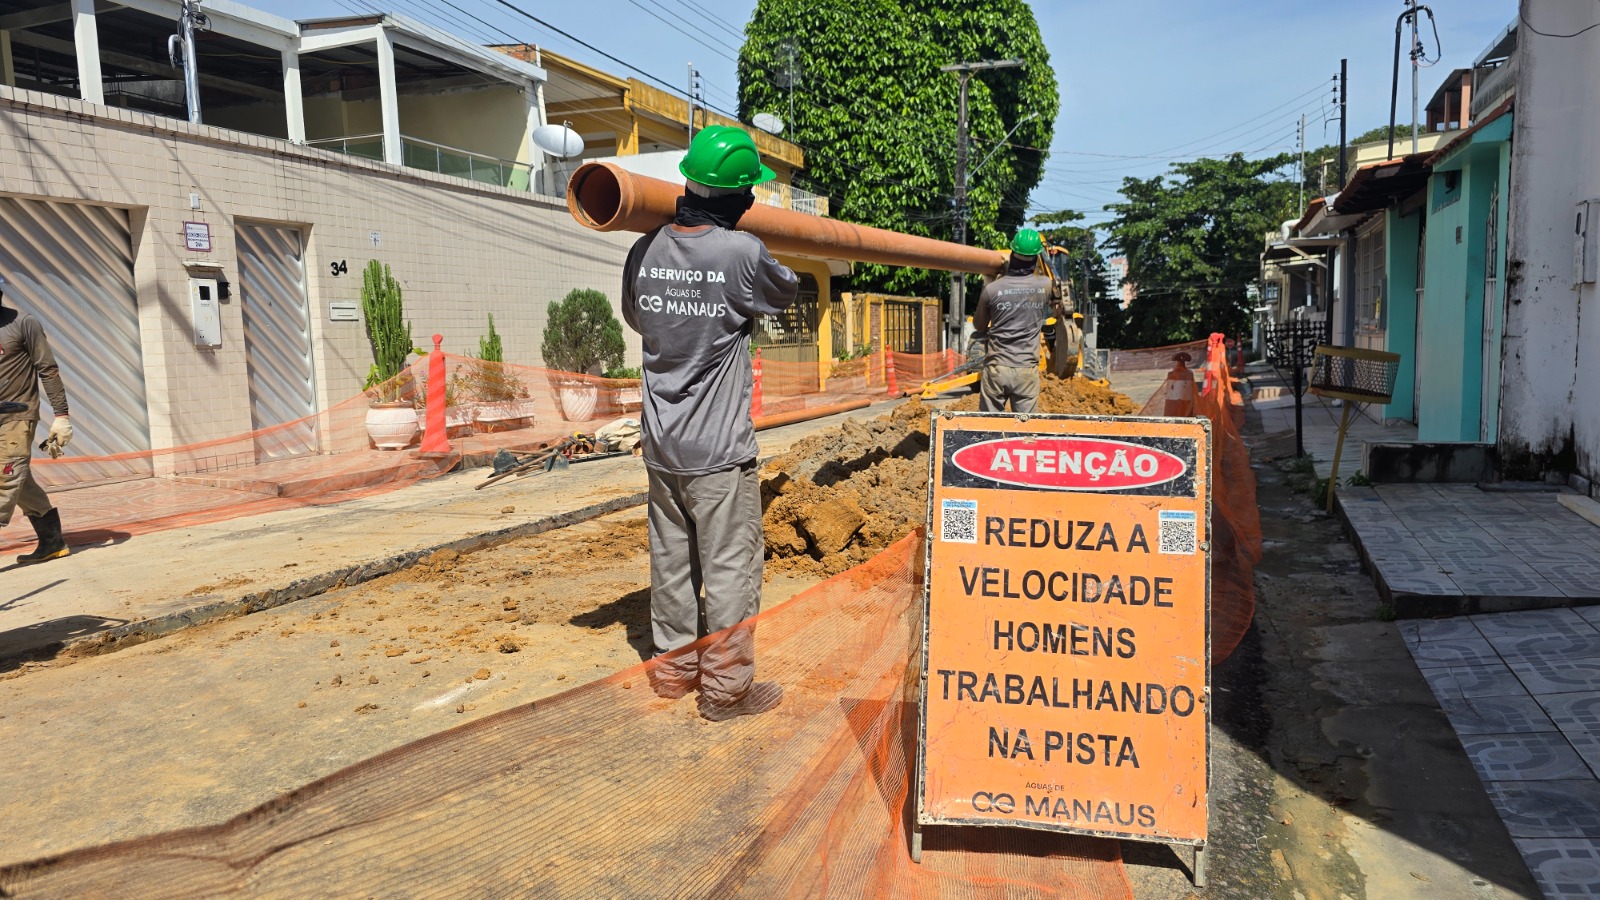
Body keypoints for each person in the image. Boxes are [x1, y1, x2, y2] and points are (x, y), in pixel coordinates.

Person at [621, 125, 798, 722]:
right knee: (730, 568)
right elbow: (784, 293)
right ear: (741, 196)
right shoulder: (741, 253)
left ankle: (672, 671)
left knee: (671, 560)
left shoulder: (643, 250)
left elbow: (638, 317)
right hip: (719, 451)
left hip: (661, 443)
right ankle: (726, 691)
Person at [0, 276, 74, 564]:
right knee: (20, 482)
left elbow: (48, 370)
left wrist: (61, 416)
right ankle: (52, 543)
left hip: (17, 416)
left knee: (6, 478)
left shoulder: (22, 323)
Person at [973, 228, 1052, 413]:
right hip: (1026, 369)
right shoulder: (1045, 286)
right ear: (1035, 258)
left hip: (997, 368)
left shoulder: (992, 290)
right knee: (1025, 431)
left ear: (1012, 253)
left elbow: (979, 326)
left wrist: (989, 281)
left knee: (990, 427)